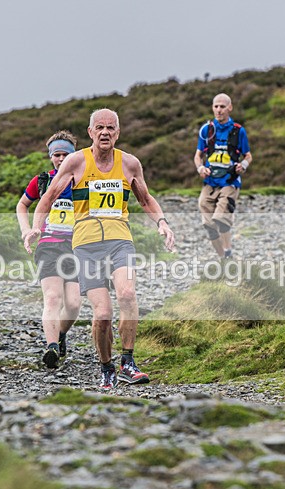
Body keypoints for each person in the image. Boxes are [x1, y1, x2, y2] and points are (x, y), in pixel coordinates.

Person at [24, 109, 175, 390]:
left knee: (127, 294)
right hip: (86, 245)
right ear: (91, 132)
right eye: (99, 128)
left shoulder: (129, 163)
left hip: (120, 241)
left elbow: (145, 199)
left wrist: (162, 222)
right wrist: (35, 226)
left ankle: (128, 362)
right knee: (103, 313)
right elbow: (46, 200)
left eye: (111, 128)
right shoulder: (75, 162)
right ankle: (106, 368)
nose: (105, 132)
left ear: (118, 133)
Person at [16, 131, 82, 369]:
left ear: (75, 155)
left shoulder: (83, 181)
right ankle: (51, 347)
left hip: (75, 247)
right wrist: (27, 230)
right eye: (57, 155)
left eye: (66, 154)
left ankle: (61, 334)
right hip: (48, 246)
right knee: (53, 298)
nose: (62, 159)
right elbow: (22, 205)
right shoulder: (43, 180)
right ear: (51, 156)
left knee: (73, 304)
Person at [193, 93, 253, 259]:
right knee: (208, 225)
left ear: (230, 108)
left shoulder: (239, 131)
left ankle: (228, 251)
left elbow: (248, 155)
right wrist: (200, 168)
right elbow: (198, 155)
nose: (218, 110)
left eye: (222, 106)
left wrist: (243, 166)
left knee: (221, 219)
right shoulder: (206, 130)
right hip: (209, 182)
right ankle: (223, 259)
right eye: (216, 106)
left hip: (230, 182)